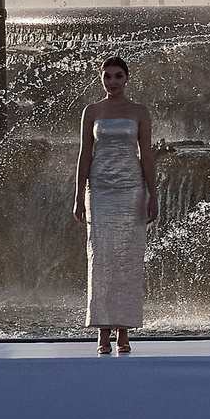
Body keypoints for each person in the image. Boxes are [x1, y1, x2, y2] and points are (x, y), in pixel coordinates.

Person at [74, 54, 155, 356]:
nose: (112, 82)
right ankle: (102, 332)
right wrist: (79, 194)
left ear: (127, 79)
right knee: (100, 259)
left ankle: (124, 331)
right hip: (101, 190)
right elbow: (85, 154)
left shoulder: (139, 112)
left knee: (127, 260)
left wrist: (153, 194)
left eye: (118, 76)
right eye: (107, 76)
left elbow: (146, 155)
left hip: (131, 189)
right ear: (101, 79)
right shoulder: (92, 111)